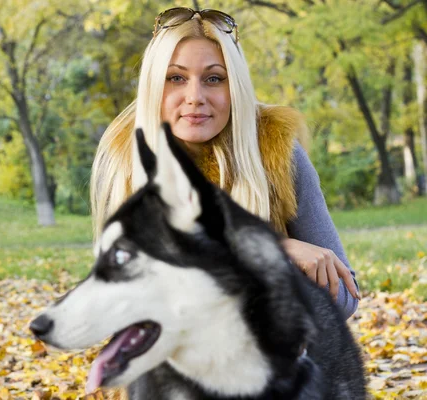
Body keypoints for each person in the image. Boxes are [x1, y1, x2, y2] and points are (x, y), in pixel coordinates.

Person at [89, 7, 360, 321]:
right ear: (153, 85)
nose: (195, 96)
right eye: (175, 78)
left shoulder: (276, 150)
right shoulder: (126, 159)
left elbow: (345, 298)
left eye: (214, 78)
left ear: (235, 88)